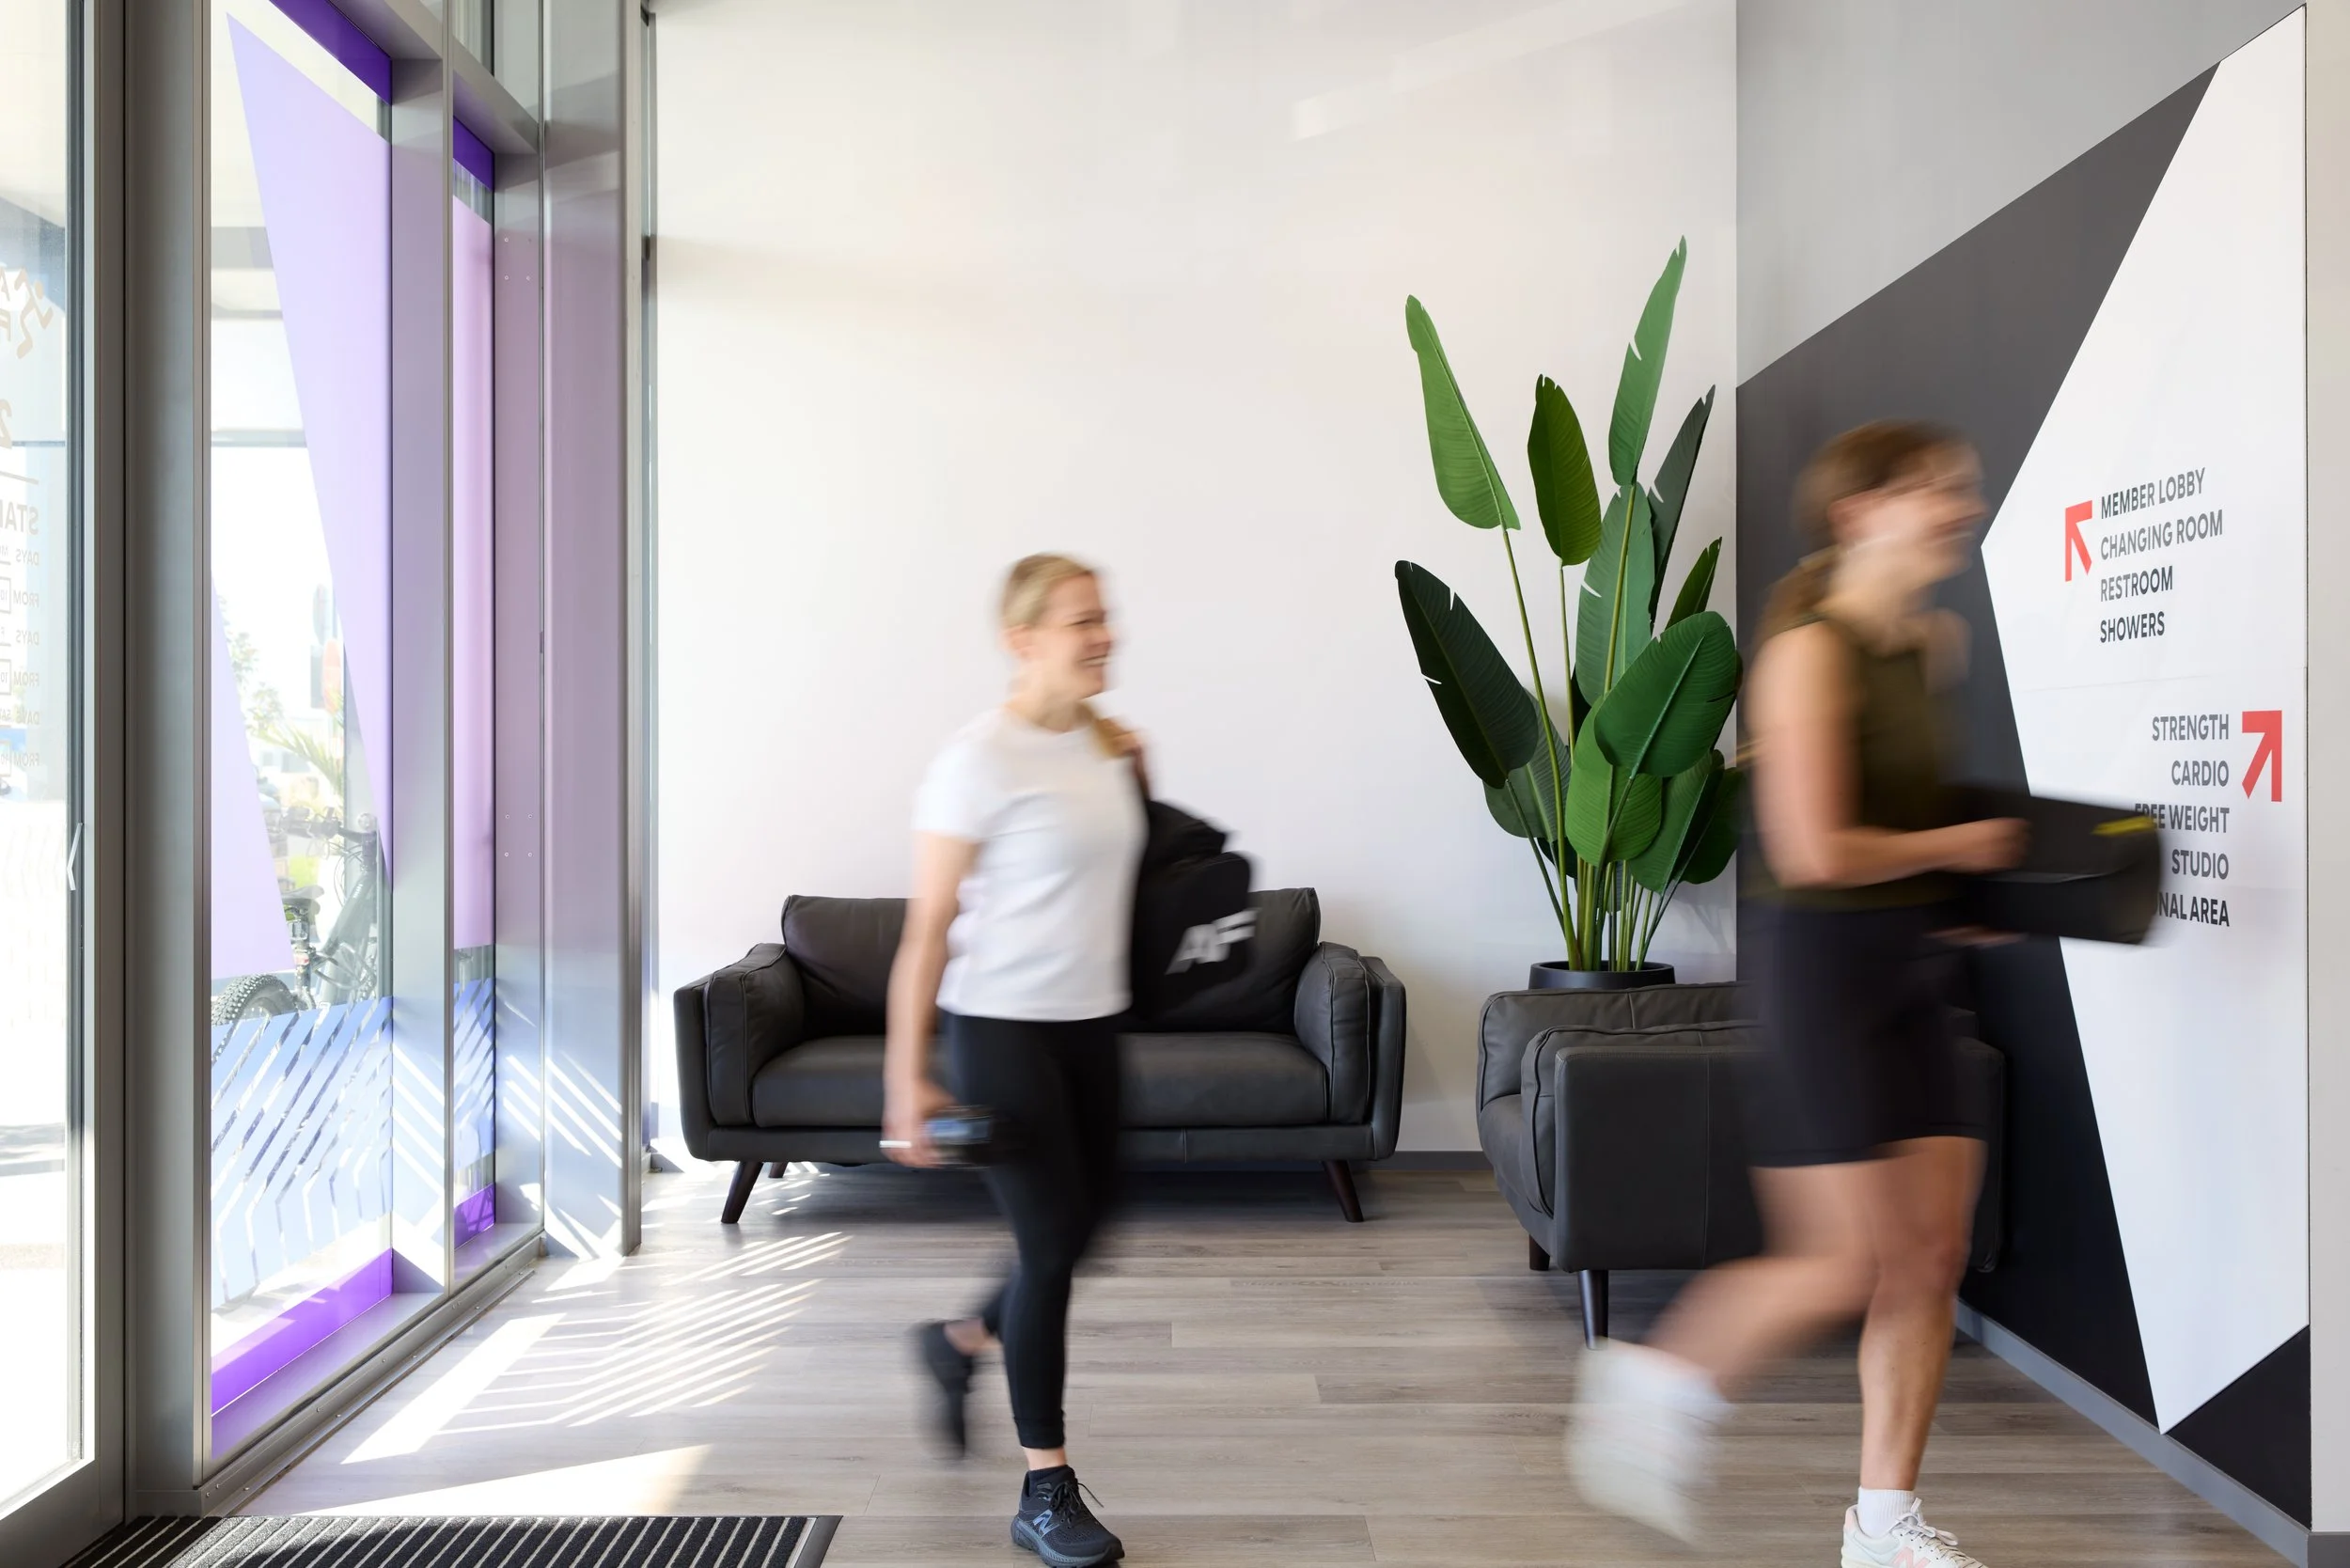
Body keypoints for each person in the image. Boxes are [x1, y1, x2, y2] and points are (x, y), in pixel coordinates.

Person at [1568, 422, 2027, 1567]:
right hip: (1821, 973)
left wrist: (1961, 897)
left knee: (1930, 1253)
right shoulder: (1808, 653)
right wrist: (1966, 849)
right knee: (1838, 1258)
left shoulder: (1933, 640)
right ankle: (1653, 1380)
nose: (1960, 507)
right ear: (1858, 511)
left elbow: (1902, 823)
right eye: (1935, 490)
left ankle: (1883, 1527)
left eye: (1961, 489)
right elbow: (1816, 848)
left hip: (1912, 968)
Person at [885, 553, 1146, 1568]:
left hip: (1093, 1024)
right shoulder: (976, 761)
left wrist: (1135, 769)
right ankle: (1046, 1490)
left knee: (1086, 1226)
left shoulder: (1108, 743)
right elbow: (927, 930)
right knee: (1046, 1251)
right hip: (1000, 1029)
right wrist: (906, 1079)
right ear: (1022, 639)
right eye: (1080, 621)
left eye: (1103, 616)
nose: (1102, 635)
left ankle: (954, 1343)